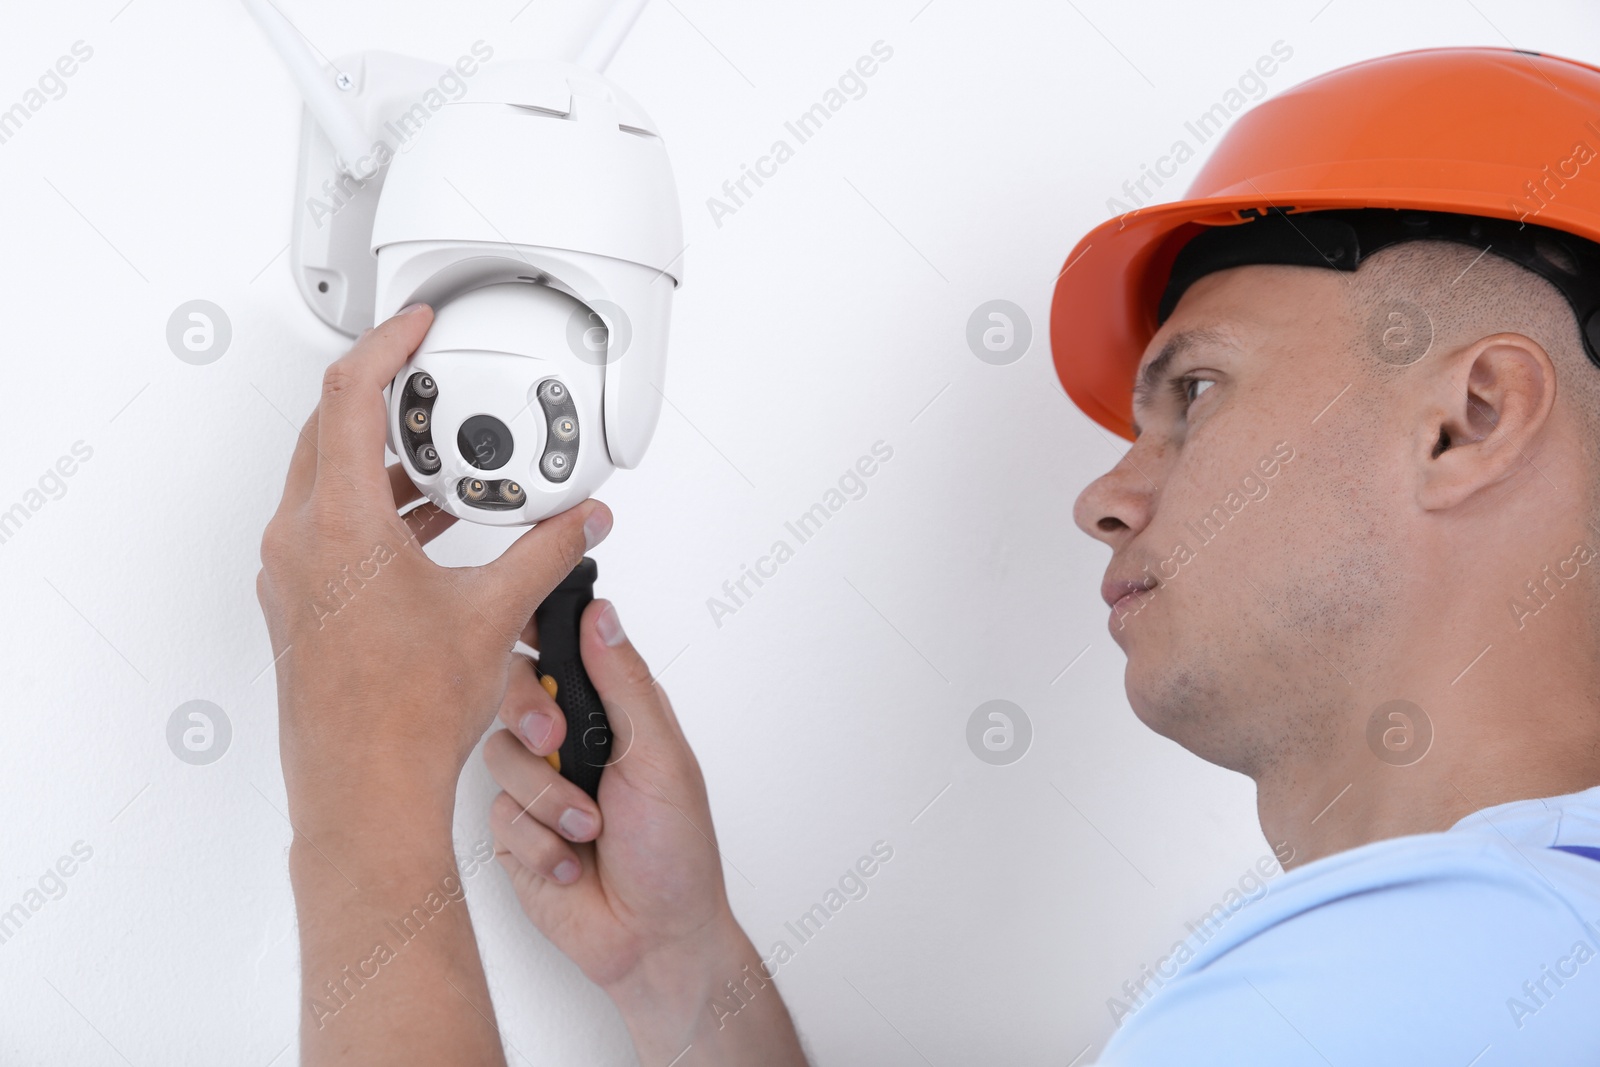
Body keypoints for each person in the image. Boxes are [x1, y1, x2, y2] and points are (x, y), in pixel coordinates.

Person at [256, 46, 1600, 1066]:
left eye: (1194, 392)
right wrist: (687, 974)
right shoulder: (1501, 971)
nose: (1106, 500)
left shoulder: (1422, 982)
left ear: (1465, 420)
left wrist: (361, 787)